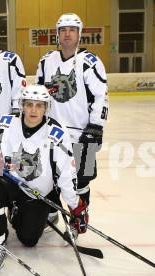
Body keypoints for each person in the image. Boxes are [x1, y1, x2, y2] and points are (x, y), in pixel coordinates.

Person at [0, 84, 87, 276]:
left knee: (29, 239)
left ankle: (21, 211)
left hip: (37, 192)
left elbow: (66, 174)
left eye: (39, 106)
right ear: (22, 105)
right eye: (29, 104)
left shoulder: (57, 132)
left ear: (46, 108)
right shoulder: (6, 123)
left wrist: (76, 207)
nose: (33, 110)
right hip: (9, 182)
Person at [35, 13, 108, 231]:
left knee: (82, 180)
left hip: (85, 134)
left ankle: (80, 218)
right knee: (50, 176)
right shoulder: (47, 61)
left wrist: (96, 128)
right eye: (63, 30)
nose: (67, 34)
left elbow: (101, 96)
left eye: (72, 30)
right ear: (57, 34)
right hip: (53, 134)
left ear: (79, 33)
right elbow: (39, 95)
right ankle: (51, 214)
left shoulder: (90, 61)